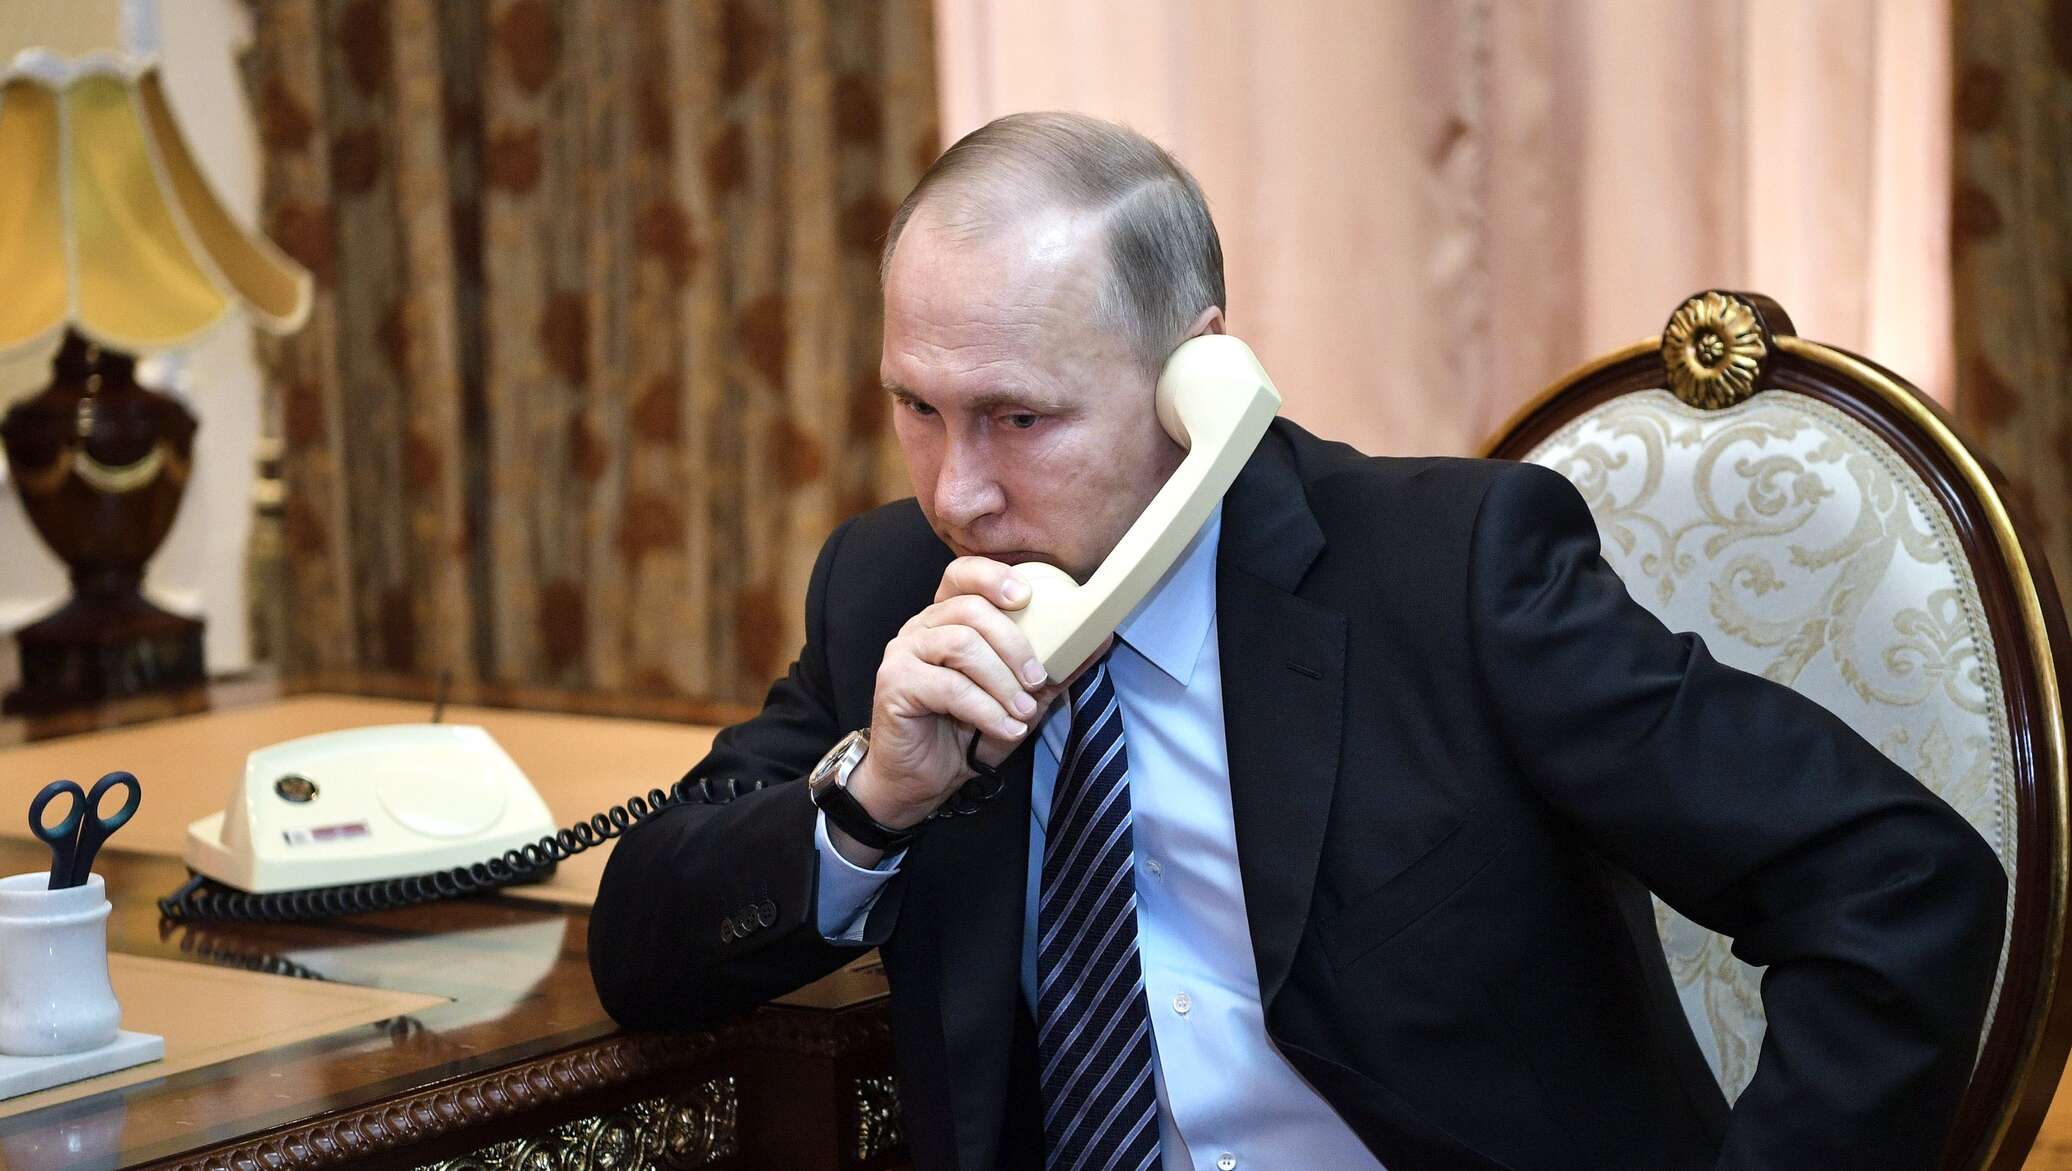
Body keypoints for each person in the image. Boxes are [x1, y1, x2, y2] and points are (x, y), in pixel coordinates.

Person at [588, 112, 2004, 1171]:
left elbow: (1898, 882)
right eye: (917, 407)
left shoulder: (1453, 576)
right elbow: (645, 946)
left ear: (1198, 373)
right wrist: (870, 802)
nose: (958, 493)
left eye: (1020, 418)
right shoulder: (892, 588)